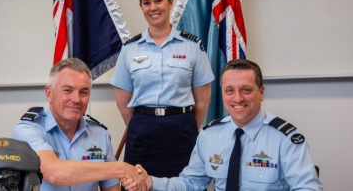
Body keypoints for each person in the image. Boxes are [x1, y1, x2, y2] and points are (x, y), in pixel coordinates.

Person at [122, 59, 323, 191]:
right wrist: (150, 182)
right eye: (229, 90)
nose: (237, 98)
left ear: (261, 92)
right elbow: (190, 183)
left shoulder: (285, 138)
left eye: (246, 89)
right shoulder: (210, 134)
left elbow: (308, 188)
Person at [110, 0, 214, 180]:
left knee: (185, 184)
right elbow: (123, 104)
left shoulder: (192, 46)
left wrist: (186, 127)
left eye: (158, 1)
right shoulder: (130, 49)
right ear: (141, 7)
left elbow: (202, 102)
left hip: (181, 130)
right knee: (137, 183)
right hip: (141, 131)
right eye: (146, 3)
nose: (153, 8)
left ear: (171, 2)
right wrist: (141, 126)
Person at [12, 58, 148, 191]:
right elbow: (55, 173)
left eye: (83, 92)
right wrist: (122, 169)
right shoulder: (28, 130)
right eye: (67, 90)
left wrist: (133, 184)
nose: (76, 99)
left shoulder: (100, 134)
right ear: (49, 93)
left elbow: (111, 188)